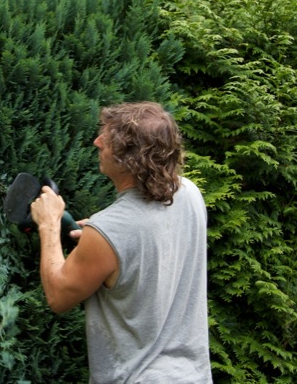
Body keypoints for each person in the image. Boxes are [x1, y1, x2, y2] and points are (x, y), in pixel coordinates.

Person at [30, 101, 212, 383]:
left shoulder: (111, 230)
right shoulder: (189, 194)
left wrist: (49, 225)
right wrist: (107, 239)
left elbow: (58, 295)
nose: (97, 141)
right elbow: (152, 234)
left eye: (108, 139)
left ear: (131, 157)